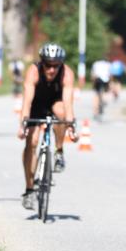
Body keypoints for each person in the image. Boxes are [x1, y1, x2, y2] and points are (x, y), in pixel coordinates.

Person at [18, 43, 76, 210]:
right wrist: (23, 124)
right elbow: (27, 100)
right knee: (32, 142)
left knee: (61, 112)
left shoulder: (67, 73)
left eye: (55, 66)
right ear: (42, 63)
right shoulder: (33, 71)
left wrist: (71, 125)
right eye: (48, 65)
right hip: (36, 105)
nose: (51, 70)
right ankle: (29, 189)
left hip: (55, 103)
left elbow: (68, 103)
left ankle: (59, 151)